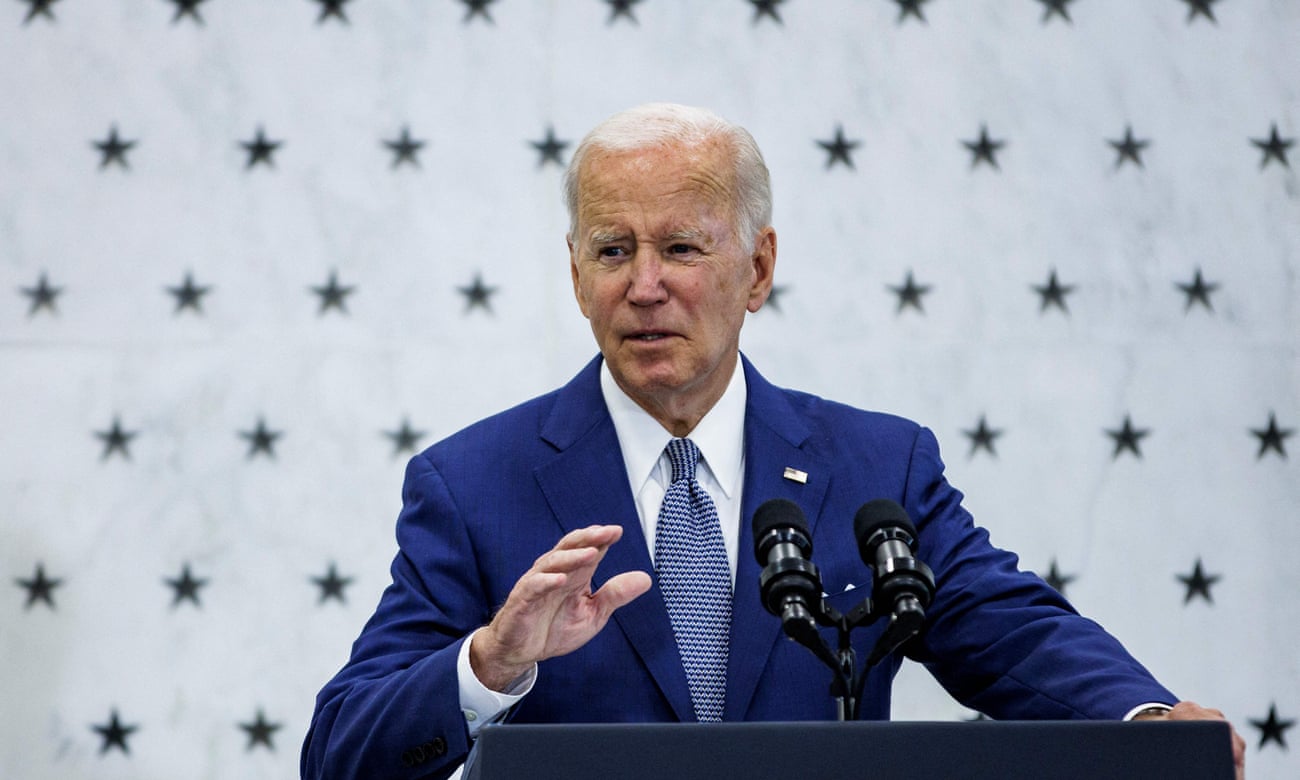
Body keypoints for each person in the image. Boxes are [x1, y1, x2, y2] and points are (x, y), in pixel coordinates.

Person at [301, 103, 1244, 779]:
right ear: (576, 274)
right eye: (613, 250)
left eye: (681, 247)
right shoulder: (473, 484)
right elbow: (340, 755)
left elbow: (1012, 632)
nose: (644, 286)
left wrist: (1147, 720)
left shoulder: (876, 470)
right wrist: (488, 665)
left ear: (758, 269)